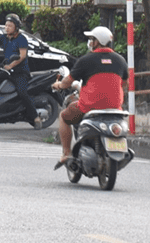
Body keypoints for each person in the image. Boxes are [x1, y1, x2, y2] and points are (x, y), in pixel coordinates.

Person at [50, 26, 129, 169]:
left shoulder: (86, 60)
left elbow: (68, 81)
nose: (90, 42)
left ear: (98, 42)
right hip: (114, 108)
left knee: (63, 116)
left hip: (90, 107)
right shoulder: (120, 60)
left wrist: (59, 85)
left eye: (92, 39)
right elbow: (125, 84)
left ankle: (66, 153)